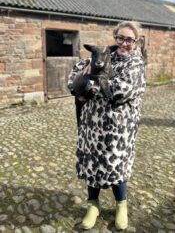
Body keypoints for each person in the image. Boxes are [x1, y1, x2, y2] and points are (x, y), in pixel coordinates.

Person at [67, 21, 146, 230]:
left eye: (129, 39)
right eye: (121, 38)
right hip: (92, 126)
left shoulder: (135, 65)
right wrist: (79, 85)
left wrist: (90, 80)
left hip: (119, 129)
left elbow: (119, 92)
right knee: (92, 164)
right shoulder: (100, 56)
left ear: (135, 42)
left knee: (117, 166)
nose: (124, 43)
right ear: (115, 38)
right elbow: (73, 80)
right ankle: (93, 205)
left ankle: (121, 205)